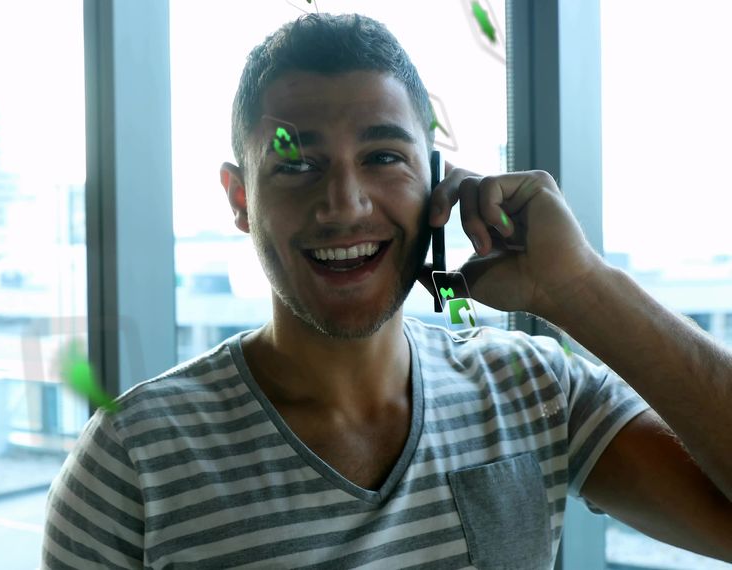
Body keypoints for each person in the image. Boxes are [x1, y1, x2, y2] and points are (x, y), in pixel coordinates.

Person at [42, 13, 732, 569]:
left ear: (436, 181)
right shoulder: (132, 460)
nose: (343, 205)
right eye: (297, 163)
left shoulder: (533, 388)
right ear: (239, 197)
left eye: (383, 158)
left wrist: (579, 285)